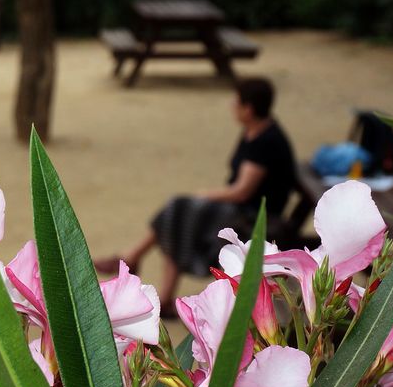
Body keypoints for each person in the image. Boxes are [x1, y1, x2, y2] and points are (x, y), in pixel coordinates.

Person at [94, 77, 297, 315]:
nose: (232, 106)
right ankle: (149, 278)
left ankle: (136, 263)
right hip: (242, 209)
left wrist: (205, 195)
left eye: (237, 102)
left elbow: (242, 192)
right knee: (178, 213)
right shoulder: (255, 130)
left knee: (180, 212)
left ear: (248, 109)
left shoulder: (266, 142)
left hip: (254, 217)